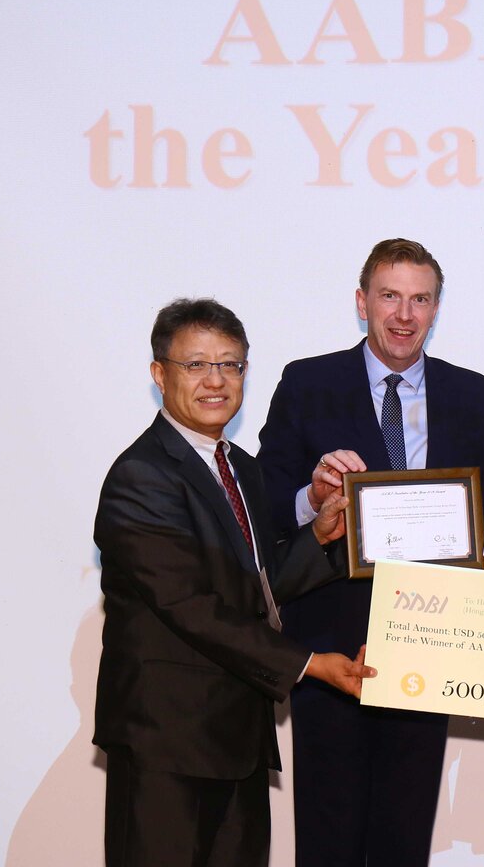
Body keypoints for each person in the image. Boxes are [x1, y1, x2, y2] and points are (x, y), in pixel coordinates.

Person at [94, 298, 374, 867]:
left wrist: (319, 537)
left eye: (231, 365)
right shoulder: (140, 476)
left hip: (238, 739)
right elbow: (189, 605)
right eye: (196, 365)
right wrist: (310, 664)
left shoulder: (241, 468)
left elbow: (257, 583)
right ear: (159, 374)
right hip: (166, 744)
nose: (216, 381)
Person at [256, 238, 484, 867]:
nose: (403, 314)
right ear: (361, 302)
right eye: (390, 296)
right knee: (327, 836)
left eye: (420, 299)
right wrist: (312, 500)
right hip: (331, 647)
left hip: (431, 646)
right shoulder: (307, 383)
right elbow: (263, 506)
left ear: (436, 309)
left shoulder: (473, 394)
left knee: (404, 836)